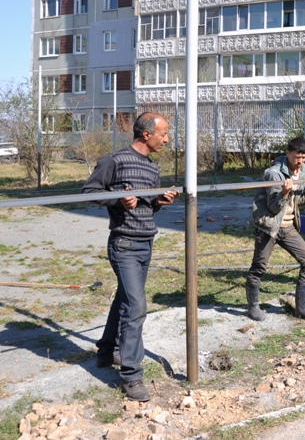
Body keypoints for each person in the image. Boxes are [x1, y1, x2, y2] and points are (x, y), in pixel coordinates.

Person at [82, 112, 179, 402]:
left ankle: (105, 352)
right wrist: (118, 199)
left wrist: (158, 200)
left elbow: (147, 206)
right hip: (123, 244)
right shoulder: (114, 160)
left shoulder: (151, 167)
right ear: (146, 134)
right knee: (136, 307)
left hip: (146, 242)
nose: (167, 139)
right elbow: (89, 192)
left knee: (125, 299)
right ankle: (131, 375)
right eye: (163, 134)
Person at [246, 137, 305, 321]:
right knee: (259, 267)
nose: (300, 161)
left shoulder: (301, 171)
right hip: (269, 228)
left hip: (288, 227)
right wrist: (284, 192)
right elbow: (274, 208)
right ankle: (253, 307)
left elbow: (296, 201)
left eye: (304, 157)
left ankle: (302, 308)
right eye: (297, 157)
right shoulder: (274, 174)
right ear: (288, 153)